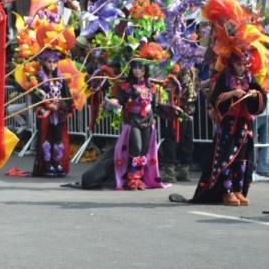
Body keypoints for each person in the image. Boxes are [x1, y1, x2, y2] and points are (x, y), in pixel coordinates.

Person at [188, 53, 265, 205]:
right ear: (232, 64)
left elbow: (260, 95)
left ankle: (238, 190)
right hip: (228, 124)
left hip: (245, 124)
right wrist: (233, 93)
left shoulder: (250, 77)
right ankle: (226, 192)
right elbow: (215, 98)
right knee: (227, 158)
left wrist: (255, 94)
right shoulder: (226, 76)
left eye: (244, 64)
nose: (241, 67)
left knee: (242, 158)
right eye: (238, 64)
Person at [106, 46, 178, 191]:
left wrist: (172, 109)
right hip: (133, 121)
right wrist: (115, 101)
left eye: (141, 67)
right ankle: (133, 178)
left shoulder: (150, 85)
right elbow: (119, 99)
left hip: (148, 121)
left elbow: (156, 105)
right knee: (136, 147)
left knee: (144, 150)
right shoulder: (126, 86)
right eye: (135, 67)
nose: (138, 70)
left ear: (145, 70)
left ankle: (141, 176)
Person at [31, 50, 73, 177]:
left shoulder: (61, 78)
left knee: (58, 138)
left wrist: (60, 105)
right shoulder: (39, 78)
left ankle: (56, 163)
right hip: (45, 113)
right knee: (46, 138)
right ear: (44, 62)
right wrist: (47, 105)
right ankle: (46, 164)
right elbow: (35, 97)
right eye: (49, 62)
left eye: (55, 62)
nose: (52, 65)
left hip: (58, 114)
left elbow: (67, 97)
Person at [158, 67, 196, 183]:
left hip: (188, 110)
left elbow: (195, 88)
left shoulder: (193, 70)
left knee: (186, 139)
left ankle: (184, 169)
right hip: (176, 108)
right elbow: (169, 86)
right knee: (172, 137)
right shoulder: (175, 67)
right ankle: (170, 170)